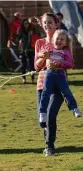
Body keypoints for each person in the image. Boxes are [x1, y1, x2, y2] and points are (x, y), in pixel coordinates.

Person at [34, 12, 80, 157]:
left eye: (50, 22)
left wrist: (58, 63)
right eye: (45, 22)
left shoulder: (63, 41)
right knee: (43, 120)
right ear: (42, 24)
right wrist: (43, 59)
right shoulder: (39, 43)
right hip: (43, 83)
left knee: (51, 116)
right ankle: (47, 134)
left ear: (56, 24)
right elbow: (36, 66)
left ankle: (49, 147)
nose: (47, 25)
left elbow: (70, 63)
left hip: (59, 84)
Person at [39, 29, 82, 126]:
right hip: (49, 74)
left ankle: (74, 108)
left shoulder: (65, 52)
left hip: (60, 75)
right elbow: (40, 54)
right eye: (57, 38)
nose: (59, 41)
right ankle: (42, 113)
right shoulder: (49, 49)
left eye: (62, 39)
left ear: (65, 42)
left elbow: (70, 64)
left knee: (66, 91)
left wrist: (60, 64)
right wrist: (42, 55)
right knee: (46, 93)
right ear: (53, 39)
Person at [19, 18, 36, 83]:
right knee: (24, 65)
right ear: (23, 25)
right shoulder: (21, 31)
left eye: (27, 23)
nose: (26, 25)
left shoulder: (32, 30)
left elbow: (36, 36)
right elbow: (18, 38)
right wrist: (20, 40)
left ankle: (32, 78)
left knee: (32, 65)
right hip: (23, 50)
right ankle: (24, 78)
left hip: (31, 49)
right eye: (25, 24)